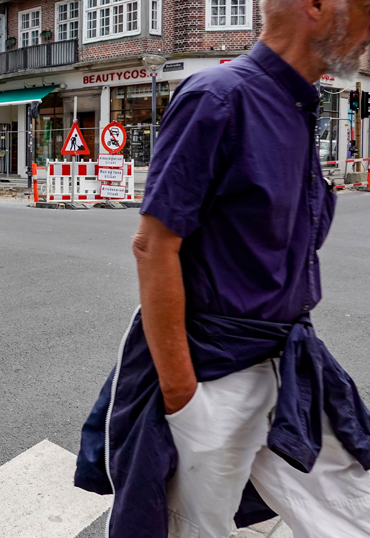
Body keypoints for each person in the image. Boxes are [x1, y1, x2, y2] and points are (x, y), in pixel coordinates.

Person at [74, 1, 370, 537]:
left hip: (290, 365)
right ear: (319, 6)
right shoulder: (219, 98)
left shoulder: (299, 108)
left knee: (355, 510)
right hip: (212, 373)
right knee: (186, 529)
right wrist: (184, 401)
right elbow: (154, 246)